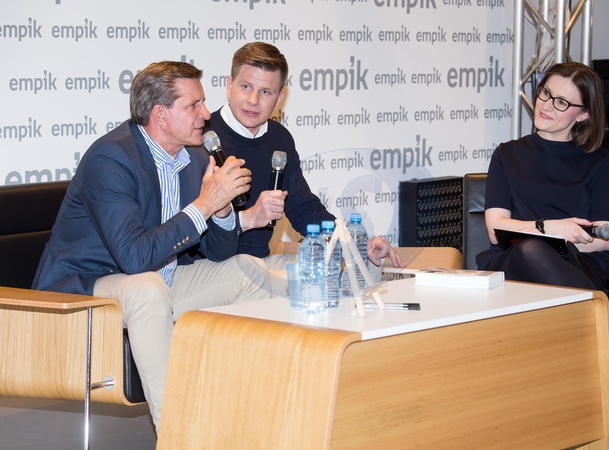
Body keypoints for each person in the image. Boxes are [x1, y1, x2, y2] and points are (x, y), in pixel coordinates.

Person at [32, 61, 272, 432]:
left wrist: (223, 208)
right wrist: (204, 205)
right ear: (160, 115)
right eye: (194, 105)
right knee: (147, 288)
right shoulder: (111, 159)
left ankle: (239, 414)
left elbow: (219, 253)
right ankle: (176, 433)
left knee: (248, 271)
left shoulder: (194, 157)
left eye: (203, 102)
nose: (206, 114)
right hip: (85, 289)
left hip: (162, 281)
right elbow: (133, 258)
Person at [476, 62, 609, 449]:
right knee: (530, 249)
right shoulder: (508, 155)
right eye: (545, 93)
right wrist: (553, 228)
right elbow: (497, 228)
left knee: (549, 267)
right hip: (514, 266)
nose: (546, 105)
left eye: (562, 102)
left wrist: (572, 237)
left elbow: (604, 240)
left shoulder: (601, 161)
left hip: (577, 267)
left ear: (583, 115)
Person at [204, 41, 405, 277]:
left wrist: (355, 242)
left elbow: (303, 208)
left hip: (260, 264)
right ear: (229, 86)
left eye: (265, 92)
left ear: (279, 98)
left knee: (338, 269)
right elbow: (192, 224)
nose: (253, 100)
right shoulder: (201, 136)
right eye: (246, 87)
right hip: (211, 269)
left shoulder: (279, 138)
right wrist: (248, 217)